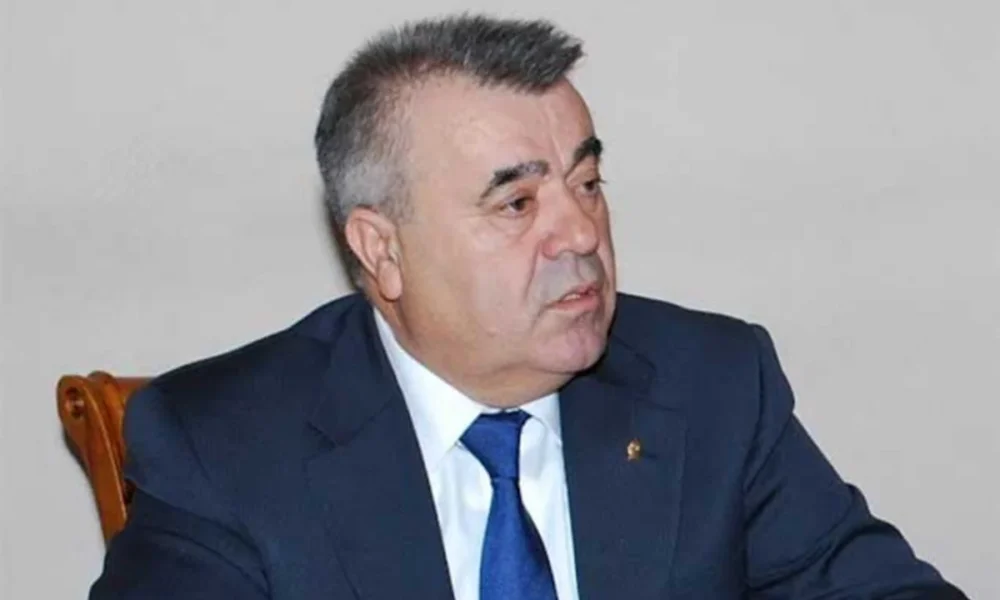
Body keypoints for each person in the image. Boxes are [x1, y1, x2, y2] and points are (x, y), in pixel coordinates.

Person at [91, 14, 966, 600]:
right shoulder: (222, 444)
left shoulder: (712, 386)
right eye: (516, 204)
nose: (580, 232)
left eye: (588, 183)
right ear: (381, 249)